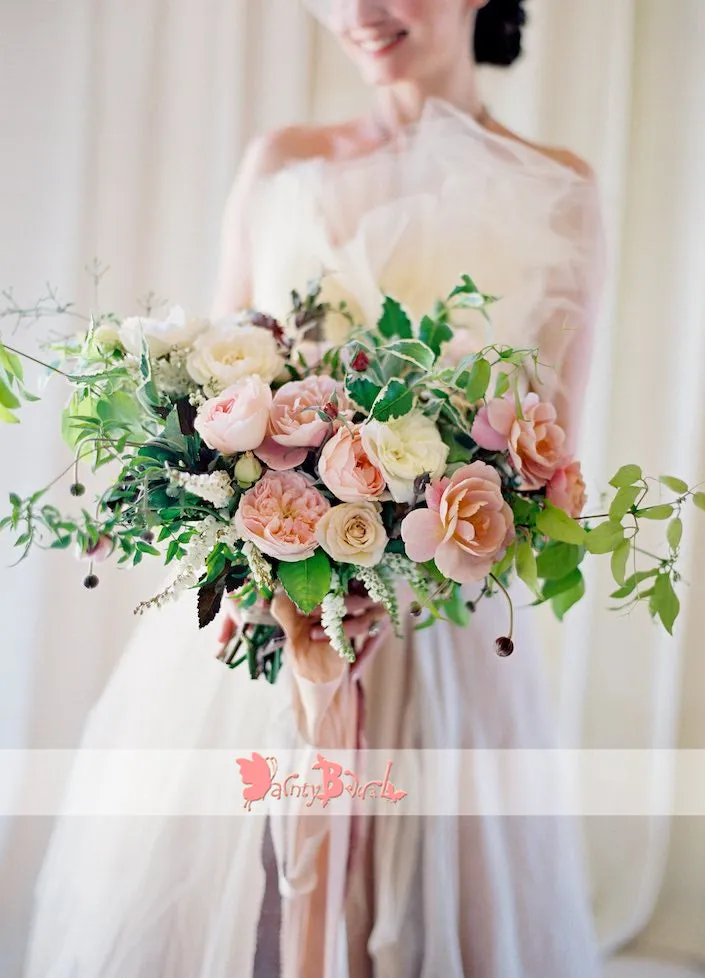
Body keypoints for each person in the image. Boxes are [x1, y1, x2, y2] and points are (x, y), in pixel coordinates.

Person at [24, 1, 604, 976]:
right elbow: (219, 380)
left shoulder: (560, 186)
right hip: (268, 589)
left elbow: (555, 452)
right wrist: (270, 543)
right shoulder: (280, 162)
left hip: (442, 621)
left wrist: (419, 538)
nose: (358, 12)